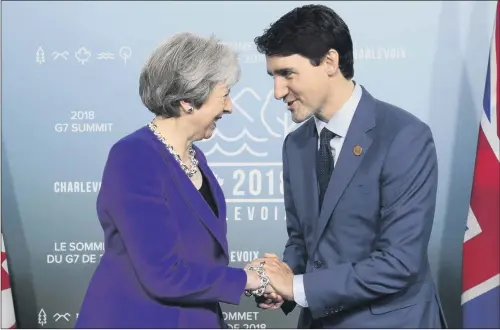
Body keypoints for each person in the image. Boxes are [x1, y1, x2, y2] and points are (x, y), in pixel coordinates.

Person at [246, 4, 449, 329]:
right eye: (273, 76)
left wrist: (296, 287)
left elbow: (399, 262)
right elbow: (302, 241)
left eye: (287, 74)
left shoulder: (404, 136)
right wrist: (280, 283)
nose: (277, 92)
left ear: (329, 62)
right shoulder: (295, 145)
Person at [75, 32, 268, 329]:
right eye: (224, 94)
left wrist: (245, 279)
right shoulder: (134, 156)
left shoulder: (195, 157)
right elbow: (163, 274)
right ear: (188, 101)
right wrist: (247, 279)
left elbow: (200, 257)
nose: (229, 107)